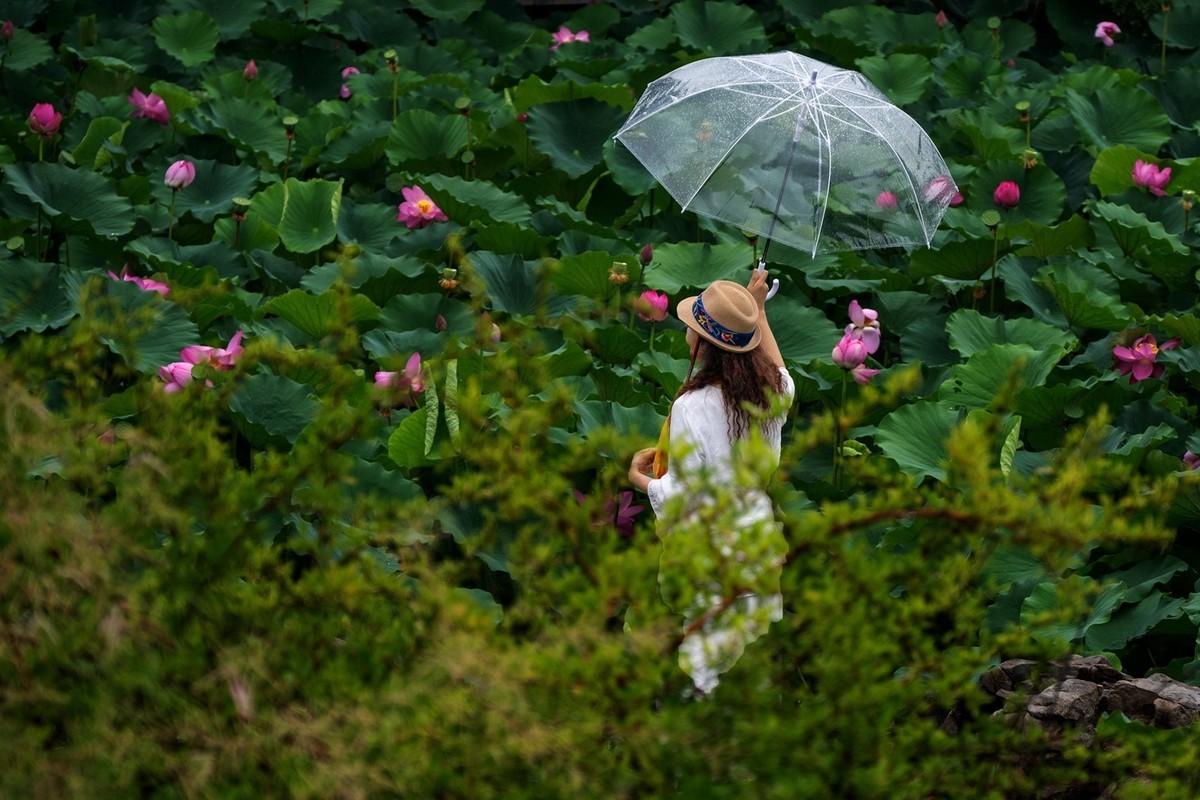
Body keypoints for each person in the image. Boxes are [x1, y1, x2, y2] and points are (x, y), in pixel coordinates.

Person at [628, 269, 794, 694]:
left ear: (704, 342)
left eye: (693, 325)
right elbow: (779, 367)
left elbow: (682, 495)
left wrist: (640, 481)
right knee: (751, 667)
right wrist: (757, 311)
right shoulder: (771, 392)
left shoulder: (693, 407)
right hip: (758, 546)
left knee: (707, 672)